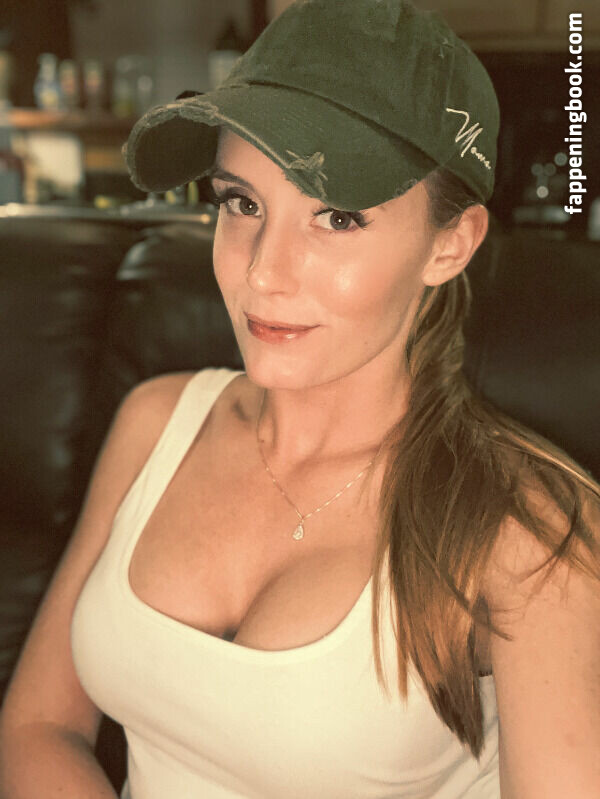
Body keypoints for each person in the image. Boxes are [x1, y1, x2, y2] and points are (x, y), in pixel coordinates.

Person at [1, 1, 599, 797]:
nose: (263, 272)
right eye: (242, 203)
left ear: (450, 244)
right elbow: (39, 726)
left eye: (337, 217)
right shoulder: (157, 421)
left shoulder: (530, 534)